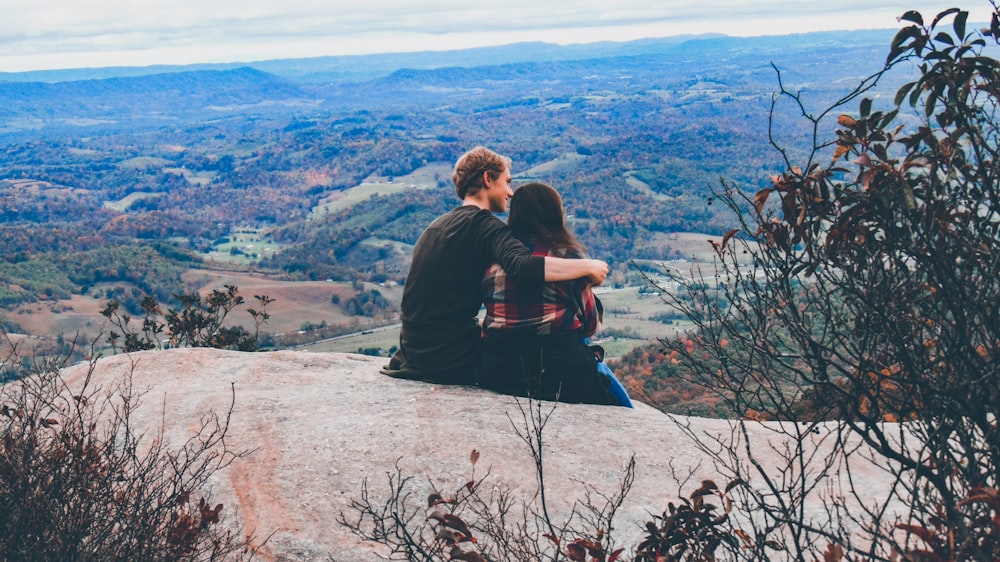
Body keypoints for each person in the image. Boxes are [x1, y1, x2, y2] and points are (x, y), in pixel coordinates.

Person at [382, 147, 608, 385]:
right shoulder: (485, 226)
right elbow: (523, 267)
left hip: (413, 352)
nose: (510, 193)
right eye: (507, 182)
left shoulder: (438, 226)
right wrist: (587, 267)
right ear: (488, 178)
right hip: (448, 358)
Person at [479, 182, 633, 407]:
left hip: (501, 372)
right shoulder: (567, 260)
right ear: (554, 215)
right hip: (561, 373)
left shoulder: (494, 264)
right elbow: (591, 326)